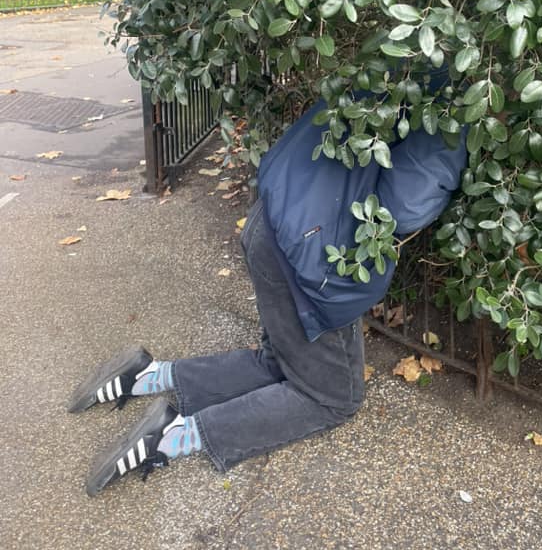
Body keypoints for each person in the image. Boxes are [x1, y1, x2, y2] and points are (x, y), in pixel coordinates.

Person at [69, 99, 467, 496]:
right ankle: (172, 435)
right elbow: (407, 207)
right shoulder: (449, 110)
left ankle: (148, 376)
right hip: (314, 255)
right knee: (332, 398)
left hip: (276, 218)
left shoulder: (406, 58)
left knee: (284, 363)